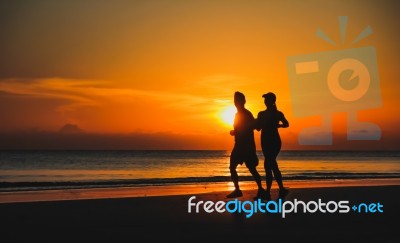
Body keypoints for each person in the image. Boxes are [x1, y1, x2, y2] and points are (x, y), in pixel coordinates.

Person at [227, 91, 265, 199]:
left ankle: (260, 189)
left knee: (252, 169)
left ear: (243, 101)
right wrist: (234, 132)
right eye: (235, 100)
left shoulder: (247, 114)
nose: (236, 102)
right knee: (232, 167)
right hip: (239, 145)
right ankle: (237, 189)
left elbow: (253, 127)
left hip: (246, 146)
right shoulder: (237, 115)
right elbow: (242, 128)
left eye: (238, 100)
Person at [256, 92, 289, 200]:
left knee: (268, 164)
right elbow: (258, 128)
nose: (265, 101)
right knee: (272, 164)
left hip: (274, 142)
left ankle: (268, 191)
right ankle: (281, 189)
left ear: (273, 101)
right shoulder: (262, 114)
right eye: (265, 100)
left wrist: (277, 125)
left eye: (267, 99)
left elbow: (286, 124)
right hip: (265, 142)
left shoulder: (278, 113)